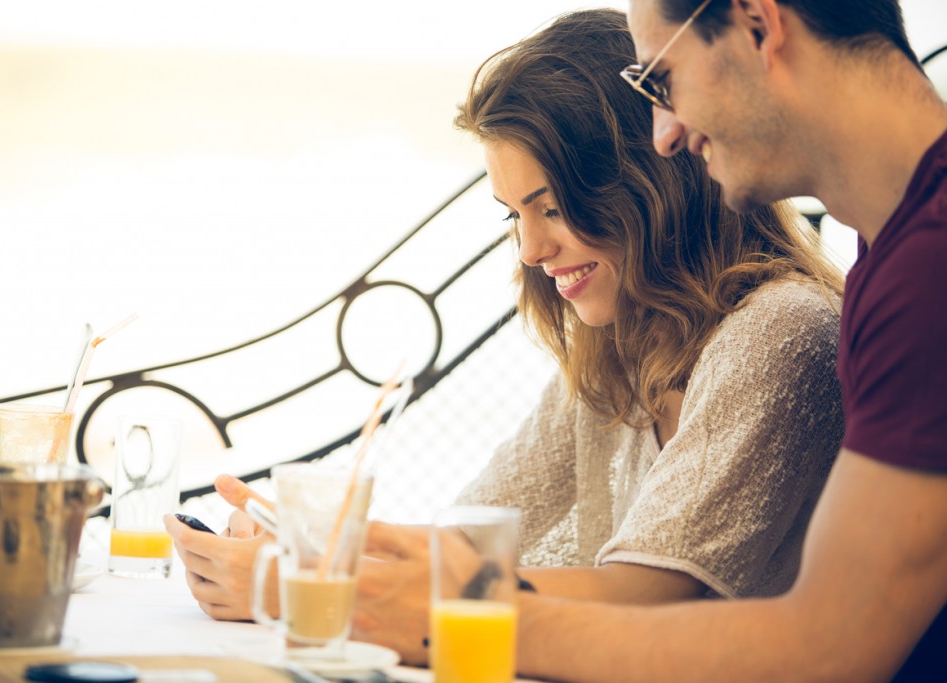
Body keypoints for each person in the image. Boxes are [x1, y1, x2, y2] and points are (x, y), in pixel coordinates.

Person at [166, 5, 846, 648]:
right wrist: (304, 551)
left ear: (644, 184)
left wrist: (316, 588)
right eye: (513, 215)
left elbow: (644, 593)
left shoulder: (780, 331)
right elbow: (472, 542)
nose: (530, 249)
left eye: (549, 208)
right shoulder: (619, 352)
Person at [362, 1, 947, 681]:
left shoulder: (919, 272)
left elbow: (832, 642)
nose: (663, 134)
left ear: (759, 24)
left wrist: (462, 608)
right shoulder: (891, 256)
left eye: (663, 81)